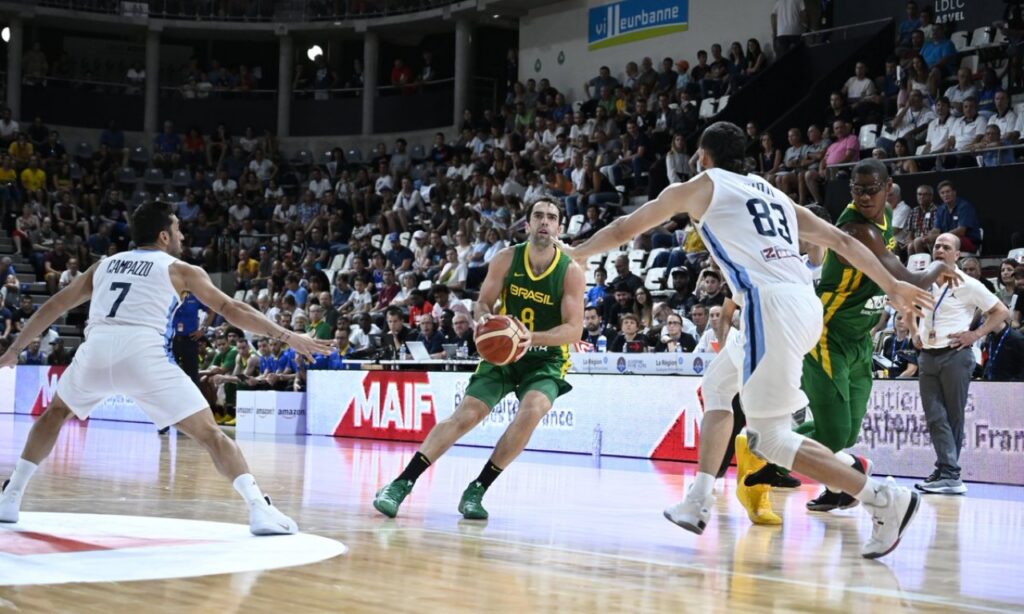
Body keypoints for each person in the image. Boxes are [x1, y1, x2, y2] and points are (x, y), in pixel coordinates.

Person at [561, 121, 935, 559]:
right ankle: (699, 498)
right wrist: (891, 287)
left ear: (703, 157)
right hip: (801, 305)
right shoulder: (772, 192)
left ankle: (883, 499)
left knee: (769, 439)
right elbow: (837, 240)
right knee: (719, 385)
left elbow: (627, 227)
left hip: (769, 306)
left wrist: (578, 252)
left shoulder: (703, 185)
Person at [0, 201, 332, 534]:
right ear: (163, 236)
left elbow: (56, 305)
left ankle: (11, 495)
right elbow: (231, 309)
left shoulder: (104, 265)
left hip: (96, 351)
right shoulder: (180, 269)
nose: (182, 235)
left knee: (55, 414)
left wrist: (15, 349)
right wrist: (288, 336)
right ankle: (259, 509)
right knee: (211, 435)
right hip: (144, 355)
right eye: (177, 229)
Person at [756, 159, 956, 513]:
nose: (865, 196)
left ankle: (771, 448)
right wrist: (942, 265)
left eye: (872, 189)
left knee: (847, 435)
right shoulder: (858, 229)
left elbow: (888, 282)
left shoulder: (888, 217)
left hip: (860, 338)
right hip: (827, 335)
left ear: (888, 188)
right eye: (858, 190)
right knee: (833, 435)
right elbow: (910, 280)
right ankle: (767, 457)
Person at [373, 199, 585, 520]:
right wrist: (485, 320)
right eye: (538, 216)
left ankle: (477, 489)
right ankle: (401, 483)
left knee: (532, 411)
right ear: (527, 224)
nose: (544, 221)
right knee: (466, 415)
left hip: (545, 358)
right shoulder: (505, 258)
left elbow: (573, 330)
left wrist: (532, 338)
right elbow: (483, 303)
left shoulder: (570, 271)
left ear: (559, 227)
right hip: (504, 353)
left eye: (551, 217)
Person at [913, 233, 1009, 494]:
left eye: (946, 247)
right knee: (935, 416)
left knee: (951, 416)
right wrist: (913, 331)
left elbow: (1002, 311)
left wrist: (976, 334)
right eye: (936, 246)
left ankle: (949, 472)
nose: (940, 250)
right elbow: (907, 307)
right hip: (928, 355)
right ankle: (949, 471)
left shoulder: (968, 283)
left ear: (957, 255)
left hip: (955, 354)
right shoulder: (923, 281)